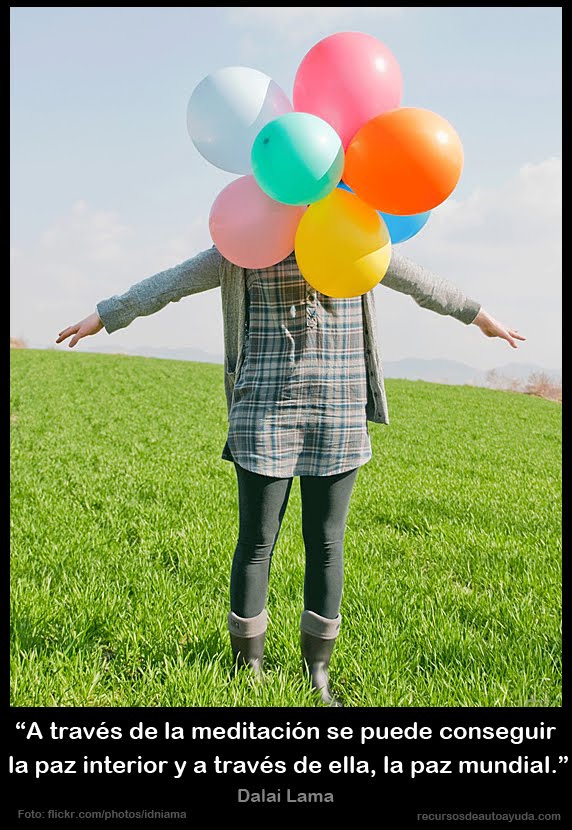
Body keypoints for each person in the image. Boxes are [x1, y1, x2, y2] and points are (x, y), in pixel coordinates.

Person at [56, 246, 525, 706]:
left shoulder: (354, 236)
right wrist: (106, 315)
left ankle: (317, 673)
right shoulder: (246, 240)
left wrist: (479, 315)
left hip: (338, 411)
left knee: (326, 542)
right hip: (263, 410)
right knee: (257, 541)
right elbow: (171, 283)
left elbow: (421, 283)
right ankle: (249, 670)